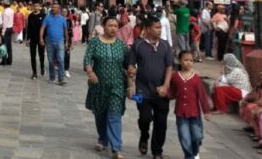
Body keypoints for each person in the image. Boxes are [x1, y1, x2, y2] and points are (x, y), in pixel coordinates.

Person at [83, 16, 130, 159]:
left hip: (117, 85)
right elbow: (87, 59)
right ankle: (103, 139)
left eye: (115, 26)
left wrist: (131, 81)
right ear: (103, 26)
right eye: (110, 25)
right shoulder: (95, 42)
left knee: (114, 115)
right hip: (99, 85)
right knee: (100, 114)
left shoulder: (121, 45)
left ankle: (117, 148)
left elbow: (128, 65)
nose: (113, 28)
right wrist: (90, 72)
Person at [127, 15, 173, 159]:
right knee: (144, 118)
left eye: (160, 27)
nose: (160, 30)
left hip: (161, 92)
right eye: (156, 27)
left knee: (161, 123)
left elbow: (169, 67)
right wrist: (130, 86)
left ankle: (157, 151)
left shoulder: (166, 45)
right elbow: (131, 66)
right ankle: (144, 135)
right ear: (147, 29)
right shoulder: (138, 45)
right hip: (141, 92)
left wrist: (166, 86)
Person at [169, 50, 211, 159]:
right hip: (181, 113)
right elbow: (172, 93)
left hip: (194, 113)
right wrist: (163, 93)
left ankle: (195, 151)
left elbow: (202, 96)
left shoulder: (196, 79)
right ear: (179, 61)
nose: (188, 62)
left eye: (191, 60)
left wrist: (206, 111)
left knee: (197, 136)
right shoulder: (175, 77)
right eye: (185, 60)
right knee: (184, 137)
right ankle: (189, 156)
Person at [40, 3, 69, 85]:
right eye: (52, 7)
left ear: (59, 9)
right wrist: (41, 38)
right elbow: (42, 28)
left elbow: (65, 31)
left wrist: (67, 42)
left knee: (61, 59)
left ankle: (61, 78)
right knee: (51, 60)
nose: (53, 8)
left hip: (60, 41)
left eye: (55, 7)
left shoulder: (62, 19)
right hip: (49, 42)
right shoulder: (47, 18)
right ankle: (52, 77)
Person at [26, 3, 46, 79]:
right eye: (34, 6)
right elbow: (29, 28)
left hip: (41, 38)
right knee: (32, 56)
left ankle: (42, 67)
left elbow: (45, 27)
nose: (36, 7)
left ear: (40, 7)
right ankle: (34, 73)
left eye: (37, 6)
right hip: (33, 38)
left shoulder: (43, 15)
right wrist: (28, 39)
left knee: (41, 55)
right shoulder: (30, 16)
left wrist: (44, 38)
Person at [0, 1, 15, 66]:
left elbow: (5, 23)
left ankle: (4, 61)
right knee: (9, 45)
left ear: (4, 5)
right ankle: (9, 60)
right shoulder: (12, 11)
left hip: (6, 29)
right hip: (10, 28)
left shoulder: (5, 12)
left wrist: (3, 33)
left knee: (4, 46)